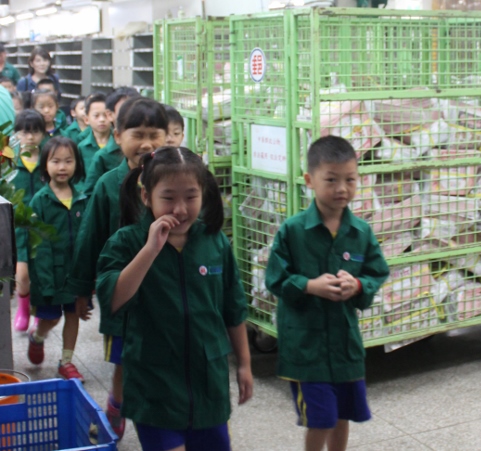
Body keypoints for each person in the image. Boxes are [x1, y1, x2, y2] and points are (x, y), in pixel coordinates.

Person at [96, 146, 253, 451]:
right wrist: (150, 250)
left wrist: (245, 364)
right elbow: (113, 300)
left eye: (191, 197)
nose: (180, 209)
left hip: (208, 385)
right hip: (154, 385)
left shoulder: (215, 242)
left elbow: (233, 309)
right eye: (168, 198)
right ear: (146, 197)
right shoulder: (127, 242)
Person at [265, 136, 390, 451]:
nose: (342, 189)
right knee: (320, 417)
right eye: (331, 180)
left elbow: (377, 272)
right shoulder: (293, 231)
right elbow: (275, 278)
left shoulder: (361, 232)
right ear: (309, 180)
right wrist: (309, 285)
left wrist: (358, 286)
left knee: (343, 414)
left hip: (345, 346)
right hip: (307, 350)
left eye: (350, 180)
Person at [66, 97, 169, 439]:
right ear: (118, 134)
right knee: (124, 361)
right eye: (137, 134)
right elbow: (89, 237)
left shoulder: (175, 179)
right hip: (124, 297)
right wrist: (82, 288)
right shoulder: (109, 184)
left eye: (155, 134)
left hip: (167, 292)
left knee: (165, 357)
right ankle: (116, 407)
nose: (147, 143)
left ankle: (162, 412)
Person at [22, 137, 87, 381]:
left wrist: (87, 277)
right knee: (51, 318)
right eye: (56, 161)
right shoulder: (40, 200)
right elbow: (40, 246)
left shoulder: (82, 199)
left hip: (74, 274)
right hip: (49, 274)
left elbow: (85, 241)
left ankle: (66, 361)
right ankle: (37, 336)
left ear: (77, 164)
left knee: (73, 315)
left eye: (68, 161)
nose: (62, 167)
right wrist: (46, 282)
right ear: (45, 165)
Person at [11, 109, 47, 332]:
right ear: (16, 134)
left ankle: (37, 312)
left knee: (41, 274)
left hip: (43, 227)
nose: (30, 137)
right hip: (18, 227)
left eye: (35, 132)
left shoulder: (49, 158)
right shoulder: (9, 160)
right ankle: (23, 307)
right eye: (25, 132)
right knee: (22, 274)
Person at [81, 88, 140, 196]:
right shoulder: (103, 156)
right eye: (123, 110)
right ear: (110, 115)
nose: (131, 116)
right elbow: (90, 194)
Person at [76, 92, 113, 191]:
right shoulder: (82, 147)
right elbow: (78, 178)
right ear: (87, 119)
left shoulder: (120, 144)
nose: (101, 120)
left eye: (105, 115)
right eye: (96, 116)